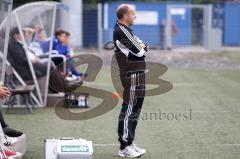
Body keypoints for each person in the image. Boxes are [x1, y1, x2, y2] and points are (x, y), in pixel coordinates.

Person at [113, 4, 148, 158]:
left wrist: (143, 46)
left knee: (136, 108)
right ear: (125, 16)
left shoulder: (128, 30)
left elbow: (144, 45)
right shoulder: (121, 31)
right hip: (131, 73)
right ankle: (124, 146)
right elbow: (140, 51)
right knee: (129, 108)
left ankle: (130, 142)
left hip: (138, 72)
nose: (135, 16)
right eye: (133, 14)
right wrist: (142, 47)